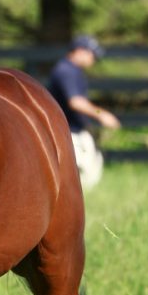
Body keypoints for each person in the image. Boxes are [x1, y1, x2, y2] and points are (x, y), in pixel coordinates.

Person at [48, 35, 121, 190]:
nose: (94, 59)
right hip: (67, 133)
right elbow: (76, 102)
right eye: (92, 54)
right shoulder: (66, 71)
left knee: (91, 170)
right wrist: (101, 114)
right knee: (84, 177)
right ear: (80, 51)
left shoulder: (73, 70)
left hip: (74, 131)